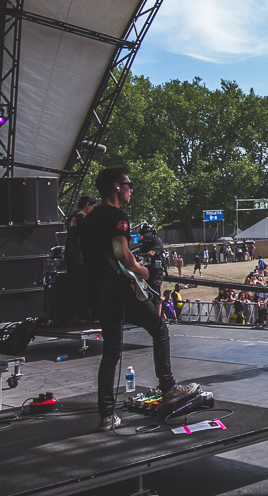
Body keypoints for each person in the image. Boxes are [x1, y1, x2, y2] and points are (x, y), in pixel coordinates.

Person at [79, 166, 196, 430]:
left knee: (110, 352)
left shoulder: (87, 220)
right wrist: (141, 270)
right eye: (128, 184)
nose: (131, 189)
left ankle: (107, 415)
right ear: (116, 187)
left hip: (98, 292)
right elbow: (121, 252)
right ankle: (168, 388)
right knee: (159, 329)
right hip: (119, 289)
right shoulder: (117, 216)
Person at [63, 194, 96, 324]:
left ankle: (71, 314)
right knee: (81, 288)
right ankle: (77, 314)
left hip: (71, 257)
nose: (93, 209)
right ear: (87, 205)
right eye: (92, 206)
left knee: (73, 286)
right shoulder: (83, 217)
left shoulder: (73, 217)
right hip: (80, 258)